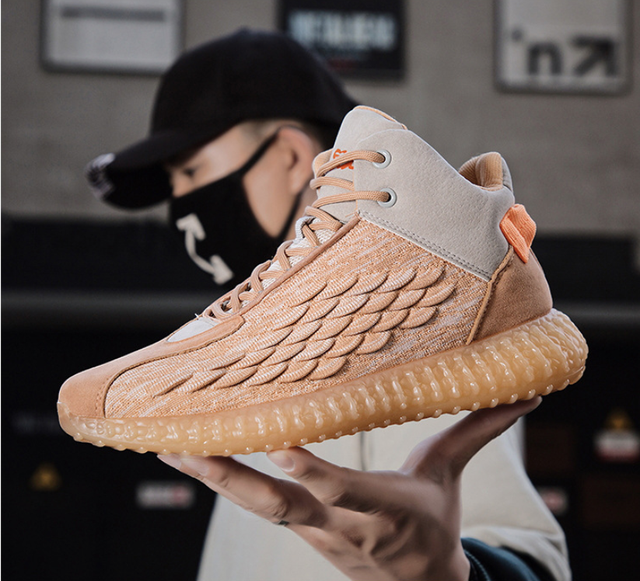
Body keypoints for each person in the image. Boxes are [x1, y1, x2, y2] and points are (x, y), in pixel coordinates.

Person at [85, 29, 570, 581]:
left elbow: (531, 559)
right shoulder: (271, 345)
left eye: (191, 172)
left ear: (293, 157)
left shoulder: (393, 314)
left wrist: (444, 572)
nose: (179, 204)